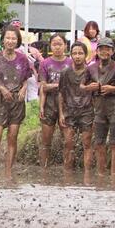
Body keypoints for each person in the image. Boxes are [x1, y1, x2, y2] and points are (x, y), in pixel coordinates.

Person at [0, 25, 32, 178]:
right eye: (8, 38)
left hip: (17, 102)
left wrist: (24, 88)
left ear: (17, 41)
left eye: (14, 38)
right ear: (2, 40)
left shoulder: (23, 58)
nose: (10, 41)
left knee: (12, 138)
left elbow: (26, 79)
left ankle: (8, 172)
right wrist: (1, 88)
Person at [80, 37, 115, 177]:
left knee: (114, 142)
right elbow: (81, 85)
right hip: (99, 107)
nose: (104, 51)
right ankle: (101, 175)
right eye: (101, 49)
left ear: (112, 51)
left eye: (107, 49)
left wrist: (114, 89)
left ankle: (114, 176)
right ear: (97, 51)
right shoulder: (91, 68)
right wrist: (88, 87)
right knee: (99, 142)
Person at [58, 42, 94, 174]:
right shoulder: (65, 72)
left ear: (85, 55)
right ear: (71, 55)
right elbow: (61, 93)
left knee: (87, 144)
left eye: (80, 53)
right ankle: (67, 174)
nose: (77, 56)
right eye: (74, 53)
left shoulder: (91, 72)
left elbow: (95, 93)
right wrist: (61, 113)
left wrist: (96, 113)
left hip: (87, 111)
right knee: (68, 143)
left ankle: (87, 174)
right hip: (69, 111)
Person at [38, 34, 72, 168]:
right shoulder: (45, 63)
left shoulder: (71, 62)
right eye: (54, 44)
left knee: (69, 141)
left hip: (67, 103)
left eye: (60, 44)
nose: (57, 47)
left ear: (65, 45)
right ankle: (44, 169)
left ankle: (67, 170)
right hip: (49, 103)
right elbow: (43, 86)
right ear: (50, 46)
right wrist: (41, 106)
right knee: (46, 141)